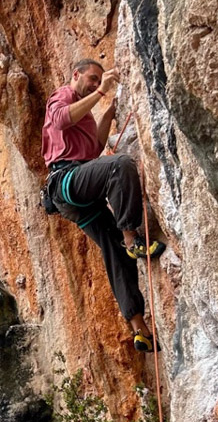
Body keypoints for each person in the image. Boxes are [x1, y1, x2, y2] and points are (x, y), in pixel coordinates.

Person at [43, 58, 164, 352]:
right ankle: (132, 237)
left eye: (99, 81)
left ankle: (140, 329)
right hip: (66, 180)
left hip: (78, 195)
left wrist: (109, 112)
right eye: (92, 78)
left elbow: (94, 149)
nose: (96, 84)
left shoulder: (83, 115)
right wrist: (101, 94)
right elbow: (60, 119)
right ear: (76, 74)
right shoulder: (64, 95)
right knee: (120, 165)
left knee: (115, 252)